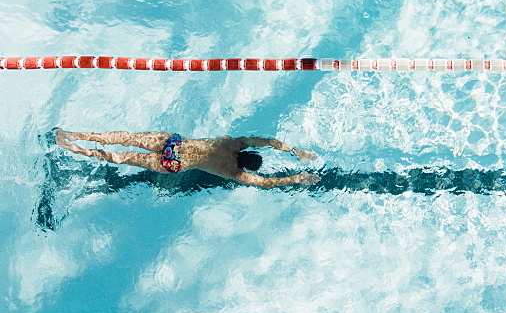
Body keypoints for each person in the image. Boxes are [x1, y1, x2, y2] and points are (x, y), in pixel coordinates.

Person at [55, 129, 319, 188]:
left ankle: (76, 134)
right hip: (174, 164)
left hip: (174, 144)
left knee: (128, 138)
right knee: (124, 158)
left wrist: (297, 151)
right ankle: (80, 151)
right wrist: (298, 177)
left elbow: (267, 141)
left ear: (246, 154)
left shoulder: (232, 144)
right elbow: (265, 183)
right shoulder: (234, 172)